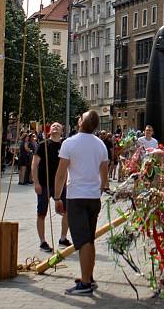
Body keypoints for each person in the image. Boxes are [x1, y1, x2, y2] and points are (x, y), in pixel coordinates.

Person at [54, 110, 109, 296]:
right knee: (90, 239)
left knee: (83, 241)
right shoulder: (100, 144)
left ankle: (85, 283)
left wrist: (56, 197)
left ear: (81, 122)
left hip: (76, 196)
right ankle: (89, 277)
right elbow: (105, 176)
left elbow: (61, 173)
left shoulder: (69, 143)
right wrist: (99, 189)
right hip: (93, 198)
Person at [31, 122, 70, 253]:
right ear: (49, 130)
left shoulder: (64, 146)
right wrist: (36, 183)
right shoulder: (42, 145)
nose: (55, 127)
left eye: (58, 126)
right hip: (43, 184)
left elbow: (67, 167)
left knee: (67, 211)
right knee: (41, 213)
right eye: (53, 126)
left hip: (59, 185)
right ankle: (42, 242)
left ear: (62, 131)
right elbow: (34, 164)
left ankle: (63, 238)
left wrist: (67, 182)